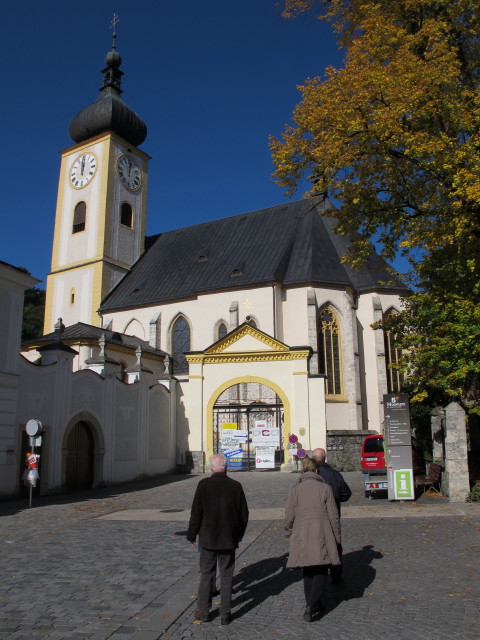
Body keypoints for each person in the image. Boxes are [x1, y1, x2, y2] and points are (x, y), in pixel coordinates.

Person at [187, 454, 249, 625]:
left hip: (208, 539)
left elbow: (196, 512)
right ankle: (225, 614)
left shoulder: (204, 485)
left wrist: (192, 534)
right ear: (226, 466)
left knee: (206, 575)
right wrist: (238, 534)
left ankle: (203, 611)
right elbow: (244, 515)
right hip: (228, 539)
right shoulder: (236, 486)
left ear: (211, 467)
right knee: (227, 576)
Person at [285, 457, 341, 622]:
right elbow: (333, 515)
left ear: (303, 470)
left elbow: (289, 514)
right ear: (317, 471)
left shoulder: (294, 489)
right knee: (321, 568)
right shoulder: (325, 488)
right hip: (322, 532)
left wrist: (288, 530)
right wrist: (336, 538)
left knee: (307, 570)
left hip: (301, 532)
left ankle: (314, 602)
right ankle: (311, 603)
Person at [311, 447, 351, 584]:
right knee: (334, 543)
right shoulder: (335, 474)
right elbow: (346, 494)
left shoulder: (309, 476)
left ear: (313, 458)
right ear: (325, 457)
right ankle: (336, 574)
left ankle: (317, 574)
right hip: (333, 515)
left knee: (316, 543)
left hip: (314, 516)